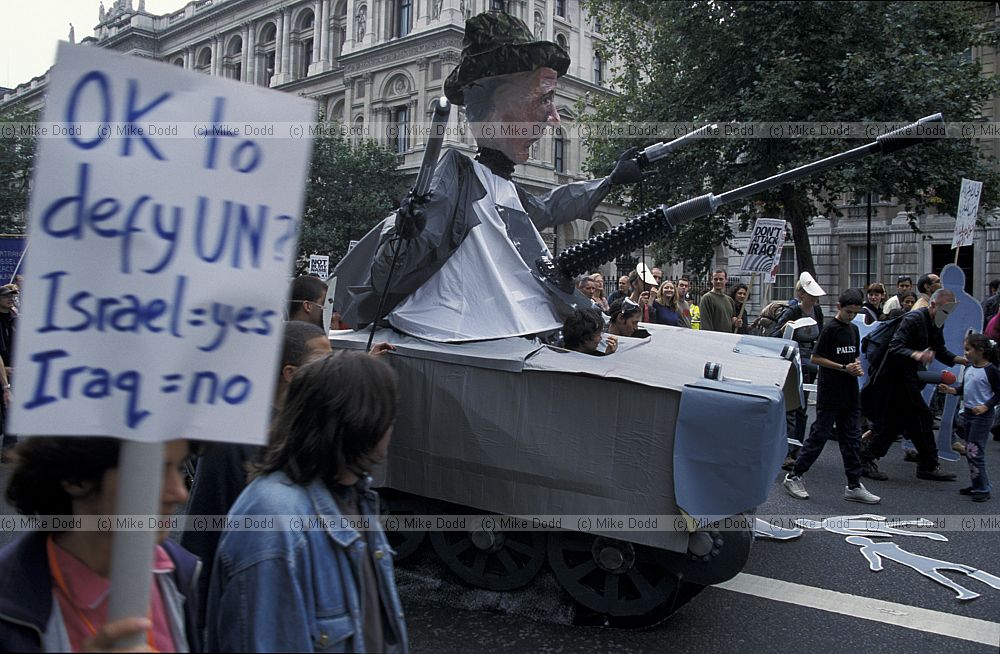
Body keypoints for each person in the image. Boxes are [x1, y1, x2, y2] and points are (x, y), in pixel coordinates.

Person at [332, 12, 641, 342]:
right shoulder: (456, 177)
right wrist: (406, 234)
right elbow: (390, 271)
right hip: (456, 339)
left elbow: (547, 208)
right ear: (497, 107)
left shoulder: (503, 186)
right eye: (543, 99)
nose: (553, 118)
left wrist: (609, 181)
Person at [206, 352, 407, 652]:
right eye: (387, 416)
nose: (391, 427)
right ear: (362, 423)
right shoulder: (274, 520)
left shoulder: (357, 496)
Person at [0, 437, 199, 652]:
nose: (180, 493)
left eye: (180, 468)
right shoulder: (9, 600)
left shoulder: (178, 573)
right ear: (76, 478)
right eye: (154, 469)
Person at [783, 289, 880, 504]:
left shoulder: (853, 329)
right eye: (848, 312)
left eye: (855, 312)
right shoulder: (829, 329)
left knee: (852, 440)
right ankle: (794, 475)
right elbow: (816, 358)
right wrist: (843, 367)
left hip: (849, 392)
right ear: (838, 307)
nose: (851, 316)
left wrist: (854, 366)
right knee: (819, 436)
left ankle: (853, 484)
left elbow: (852, 354)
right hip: (830, 392)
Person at [861, 288, 968, 481]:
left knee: (900, 423)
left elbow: (939, 348)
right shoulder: (913, 320)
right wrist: (916, 354)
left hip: (907, 378)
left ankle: (870, 459)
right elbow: (895, 346)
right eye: (944, 311)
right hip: (893, 378)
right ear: (933, 305)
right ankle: (926, 464)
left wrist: (960, 360)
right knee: (919, 419)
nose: (946, 316)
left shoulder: (936, 322)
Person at [937, 332, 1000, 502]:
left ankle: (982, 488)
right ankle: (978, 484)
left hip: (982, 416)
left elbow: (998, 393)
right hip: (969, 413)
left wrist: (986, 406)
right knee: (972, 451)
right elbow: (964, 388)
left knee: (974, 452)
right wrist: (951, 390)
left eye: (968, 349)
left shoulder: (991, 370)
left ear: (980, 350)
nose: (965, 353)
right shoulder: (970, 368)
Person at [773, 272, 826, 469]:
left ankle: (799, 448)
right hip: (792, 362)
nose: (815, 299)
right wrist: (785, 328)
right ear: (801, 294)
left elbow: (820, 335)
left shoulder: (817, 312)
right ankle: (786, 451)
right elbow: (774, 335)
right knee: (791, 407)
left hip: (810, 362)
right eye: (811, 295)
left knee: (803, 407)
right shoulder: (791, 311)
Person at [0, 284, 16, 459]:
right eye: (6, 296)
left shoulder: (13, 318)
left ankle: (9, 448)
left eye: (12, 295)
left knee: (12, 410)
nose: (11, 298)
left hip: (12, 372)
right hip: (4, 373)